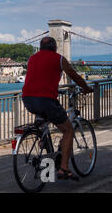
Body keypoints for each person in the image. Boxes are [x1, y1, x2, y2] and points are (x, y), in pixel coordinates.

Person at [22, 36, 93, 181]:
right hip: (46, 101)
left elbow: (39, 77)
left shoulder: (32, 58)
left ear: (40, 48)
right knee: (68, 130)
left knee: (43, 123)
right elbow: (74, 75)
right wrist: (86, 88)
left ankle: (44, 149)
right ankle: (64, 169)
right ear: (55, 48)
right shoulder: (59, 59)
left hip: (28, 99)